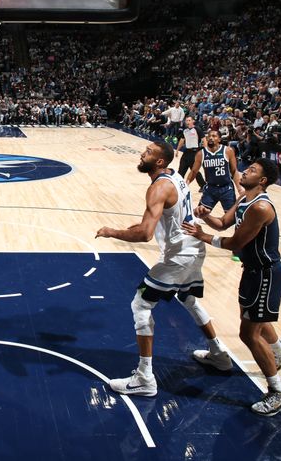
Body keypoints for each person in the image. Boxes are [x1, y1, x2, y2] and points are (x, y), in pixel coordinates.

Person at [95, 141, 229, 397]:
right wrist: (142, 224)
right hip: (194, 249)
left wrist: (112, 231)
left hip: (179, 256)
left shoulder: (158, 188)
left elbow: (145, 234)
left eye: (148, 153)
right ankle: (218, 355)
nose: (141, 153)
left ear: (158, 162)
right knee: (188, 299)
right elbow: (159, 220)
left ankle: (145, 378)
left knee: (141, 305)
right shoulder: (175, 176)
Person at [183, 158, 281, 416]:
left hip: (266, 274)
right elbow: (224, 223)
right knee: (253, 317)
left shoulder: (261, 208)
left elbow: (235, 243)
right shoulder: (244, 198)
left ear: (263, 181)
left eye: (253, 170)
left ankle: (278, 391)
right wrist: (207, 216)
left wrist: (202, 235)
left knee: (248, 334)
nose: (246, 171)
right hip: (253, 272)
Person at [186, 129, 243, 212]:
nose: (210, 138)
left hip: (226, 188)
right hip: (210, 188)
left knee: (231, 216)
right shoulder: (201, 154)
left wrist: (240, 189)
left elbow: (234, 171)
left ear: (219, 139)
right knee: (199, 213)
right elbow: (194, 171)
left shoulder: (228, 151)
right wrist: (186, 184)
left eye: (214, 136)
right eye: (209, 136)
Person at [176, 116, 205, 190]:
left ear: (193, 121)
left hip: (195, 152)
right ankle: (178, 185)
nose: (187, 122)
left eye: (189, 120)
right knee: (181, 169)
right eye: (186, 120)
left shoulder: (197, 129)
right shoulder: (185, 131)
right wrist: (177, 150)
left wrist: (206, 151)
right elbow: (182, 141)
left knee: (194, 171)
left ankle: (203, 185)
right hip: (186, 152)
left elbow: (204, 140)